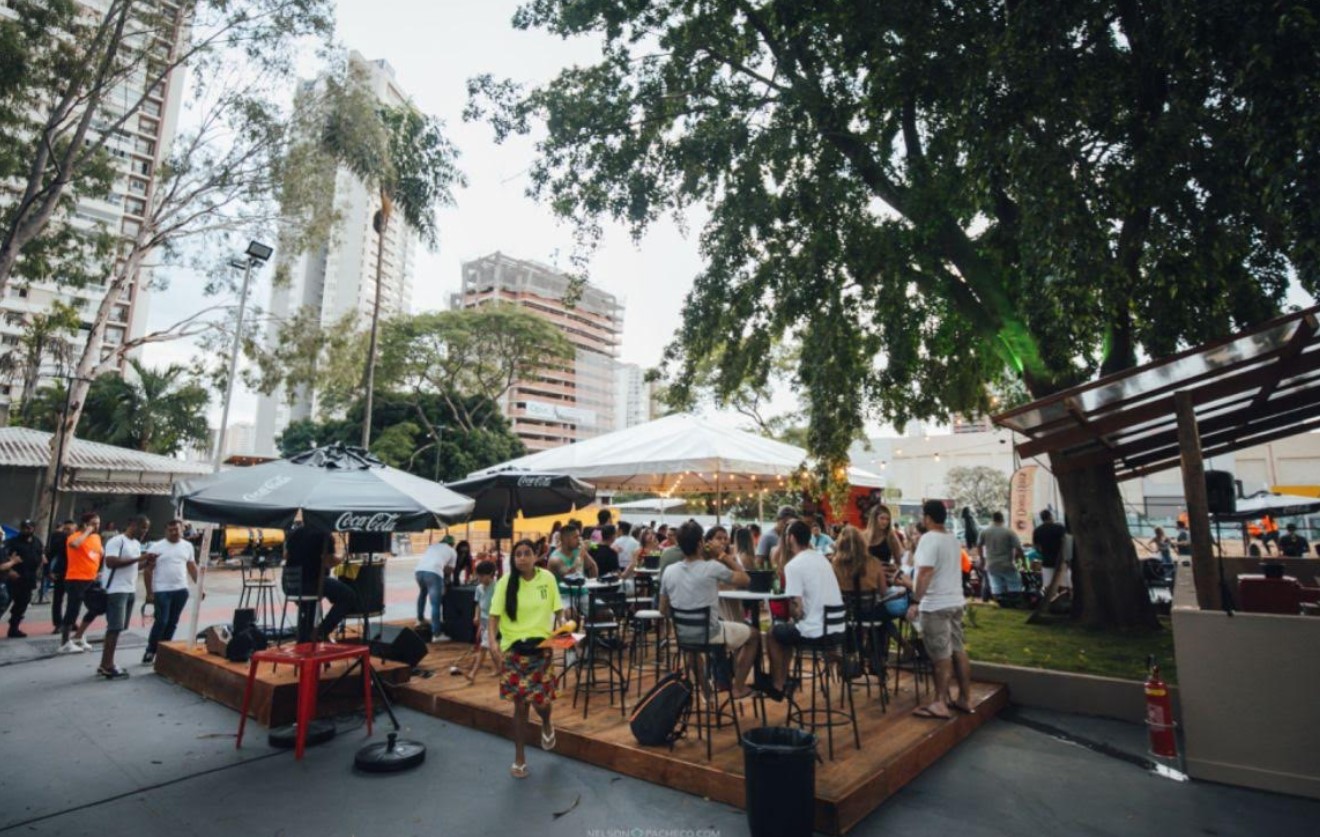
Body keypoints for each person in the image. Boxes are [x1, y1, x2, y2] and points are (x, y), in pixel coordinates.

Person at [488, 539, 567, 778]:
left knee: (541, 703)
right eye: (518, 554)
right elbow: (493, 617)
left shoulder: (547, 579)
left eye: (526, 553)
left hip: (541, 651)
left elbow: (559, 610)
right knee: (521, 705)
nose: (522, 558)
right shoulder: (505, 582)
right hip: (514, 652)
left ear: (536, 556)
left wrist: (564, 627)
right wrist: (492, 643)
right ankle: (519, 758)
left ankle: (546, 722)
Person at [659, 520, 757, 699]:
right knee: (754, 636)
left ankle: (708, 695)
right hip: (712, 633)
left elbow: (662, 609)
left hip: (683, 634)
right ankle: (738, 687)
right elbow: (746, 579)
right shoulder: (712, 567)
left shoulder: (669, 572)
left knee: (692, 650)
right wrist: (722, 555)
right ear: (700, 543)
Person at [764, 519, 844, 700]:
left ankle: (778, 685)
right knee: (785, 631)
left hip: (816, 633)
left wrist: (794, 615)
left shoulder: (793, 566)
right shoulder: (822, 559)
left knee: (773, 634)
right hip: (837, 630)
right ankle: (785, 681)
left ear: (791, 538)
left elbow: (797, 609)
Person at [908, 500, 973, 720]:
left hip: (936, 604)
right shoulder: (952, 540)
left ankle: (940, 703)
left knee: (940, 655)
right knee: (958, 650)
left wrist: (915, 601)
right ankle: (965, 698)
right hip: (955, 601)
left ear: (927, 517)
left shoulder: (928, 539)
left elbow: (925, 572)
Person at [96, 515, 150, 679]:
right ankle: (107, 665)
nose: (145, 531)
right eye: (143, 527)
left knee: (119, 628)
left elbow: (133, 566)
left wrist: (146, 562)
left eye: (146, 528)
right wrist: (139, 558)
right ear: (132, 524)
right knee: (114, 628)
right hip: (116, 590)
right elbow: (110, 562)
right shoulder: (117, 541)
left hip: (129, 589)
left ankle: (106, 663)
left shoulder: (136, 544)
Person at [285, 524, 357, 642]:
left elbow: (286, 555)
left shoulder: (296, 533)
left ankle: (305, 637)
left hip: (290, 584)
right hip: (311, 582)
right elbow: (329, 562)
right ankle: (321, 632)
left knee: (310, 604)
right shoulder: (324, 535)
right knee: (348, 596)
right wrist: (343, 556)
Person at [141, 519, 199, 664]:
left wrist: (200, 586)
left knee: (173, 622)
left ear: (182, 530)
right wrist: (149, 592)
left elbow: (192, 567)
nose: (174, 532)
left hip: (181, 590)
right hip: (162, 590)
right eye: (170, 530)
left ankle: (165, 650)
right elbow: (148, 570)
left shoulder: (187, 546)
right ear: (166, 531)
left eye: (176, 530)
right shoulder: (156, 547)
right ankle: (151, 650)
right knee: (162, 621)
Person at [60, 512, 104, 654]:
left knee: (97, 606)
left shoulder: (96, 537)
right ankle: (65, 642)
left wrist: (99, 569)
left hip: (91, 578)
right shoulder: (75, 537)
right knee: (73, 610)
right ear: (85, 524)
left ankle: (79, 636)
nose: (96, 526)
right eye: (93, 523)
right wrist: (87, 532)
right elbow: (74, 545)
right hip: (76, 579)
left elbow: (100, 553)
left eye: (98, 523)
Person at [4, 519, 43, 637]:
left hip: (28, 578)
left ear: (33, 529)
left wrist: (38, 569)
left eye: (29, 528)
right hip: (13, 578)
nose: (26, 530)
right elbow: (4, 557)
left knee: (22, 604)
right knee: (4, 602)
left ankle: (14, 628)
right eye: (24, 528)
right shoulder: (12, 542)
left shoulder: (37, 542)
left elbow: (40, 556)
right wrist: (9, 571)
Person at [415, 535, 457, 639]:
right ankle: (436, 634)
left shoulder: (432, 546)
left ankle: (420, 619)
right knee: (435, 604)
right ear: (452, 544)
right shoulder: (452, 551)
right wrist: (445, 581)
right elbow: (450, 570)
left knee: (422, 593)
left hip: (419, 571)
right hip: (434, 573)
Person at [978, 512, 1026, 600]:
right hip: (1007, 564)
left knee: (996, 587)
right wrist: (1023, 562)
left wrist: (982, 560)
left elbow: (979, 545)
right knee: (1015, 584)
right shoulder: (1009, 532)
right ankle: (1013, 602)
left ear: (993, 519)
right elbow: (1018, 548)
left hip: (991, 565)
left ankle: (1000, 602)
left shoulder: (985, 531)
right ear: (1002, 519)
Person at [467, 560, 501, 682]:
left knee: (483, 647)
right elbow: (478, 604)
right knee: (491, 647)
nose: (479, 578)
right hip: (484, 621)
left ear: (491, 574)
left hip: (494, 621)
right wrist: (476, 616)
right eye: (478, 575)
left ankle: (473, 673)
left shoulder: (497, 587)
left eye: (482, 576)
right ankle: (501, 668)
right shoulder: (479, 588)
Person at [1032, 509, 1069, 595]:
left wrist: (1043, 552)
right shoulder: (1060, 528)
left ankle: (1051, 600)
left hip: (1047, 561)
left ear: (1042, 518)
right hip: (1060, 560)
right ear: (1050, 516)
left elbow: (1037, 547)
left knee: (1048, 586)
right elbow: (1067, 543)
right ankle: (1063, 600)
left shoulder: (1037, 530)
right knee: (1063, 585)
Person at [47, 519, 74, 633]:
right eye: (65, 529)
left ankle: (70, 621)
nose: (67, 531)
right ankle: (58, 623)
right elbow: (50, 554)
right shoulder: (60, 539)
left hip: (75, 572)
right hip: (61, 571)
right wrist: (48, 571)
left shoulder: (78, 539)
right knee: (58, 599)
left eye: (70, 529)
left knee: (74, 599)